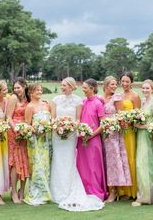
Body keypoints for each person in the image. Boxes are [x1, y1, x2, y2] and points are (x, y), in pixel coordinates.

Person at [50, 77, 104, 211]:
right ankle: (56, 190)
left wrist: (70, 129)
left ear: (71, 86)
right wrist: (57, 127)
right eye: (61, 85)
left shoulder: (78, 101)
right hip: (57, 135)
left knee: (69, 160)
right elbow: (52, 118)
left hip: (71, 135)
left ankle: (69, 190)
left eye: (65, 85)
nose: (62, 87)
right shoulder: (55, 100)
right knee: (58, 160)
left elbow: (78, 119)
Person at [132, 79, 153, 206]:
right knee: (140, 164)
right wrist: (136, 123)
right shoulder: (142, 103)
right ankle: (143, 194)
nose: (145, 90)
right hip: (140, 136)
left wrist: (142, 126)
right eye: (143, 88)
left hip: (148, 137)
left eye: (147, 88)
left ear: (152, 89)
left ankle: (147, 196)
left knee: (146, 165)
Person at [102, 76, 131, 203]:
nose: (114, 86)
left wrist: (116, 125)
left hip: (113, 133)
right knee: (104, 161)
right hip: (101, 133)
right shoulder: (100, 98)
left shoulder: (117, 98)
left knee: (113, 161)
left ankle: (114, 191)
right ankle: (106, 188)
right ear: (106, 85)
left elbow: (121, 116)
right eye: (112, 84)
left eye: (115, 84)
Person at [77, 78, 107, 201]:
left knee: (94, 166)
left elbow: (103, 124)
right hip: (82, 140)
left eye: (85, 88)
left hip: (94, 140)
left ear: (92, 88)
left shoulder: (98, 103)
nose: (83, 90)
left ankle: (96, 191)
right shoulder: (83, 102)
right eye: (83, 87)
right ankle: (84, 189)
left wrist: (91, 135)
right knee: (82, 166)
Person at [24, 83, 51, 206]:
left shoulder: (46, 104)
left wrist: (46, 129)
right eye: (37, 90)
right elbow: (27, 125)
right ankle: (37, 193)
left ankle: (47, 192)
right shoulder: (30, 107)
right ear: (31, 92)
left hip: (47, 140)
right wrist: (37, 130)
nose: (40, 92)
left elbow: (51, 122)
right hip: (35, 141)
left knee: (46, 165)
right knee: (37, 166)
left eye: (41, 90)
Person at [117, 72, 141, 199]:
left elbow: (138, 117)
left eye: (127, 81)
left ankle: (132, 190)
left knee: (130, 159)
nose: (125, 84)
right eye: (123, 81)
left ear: (131, 82)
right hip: (119, 132)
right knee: (122, 160)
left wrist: (129, 122)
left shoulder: (135, 96)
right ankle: (123, 190)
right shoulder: (118, 95)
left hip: (130, 132)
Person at [6, 77, 29, 204]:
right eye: (14, 88)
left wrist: (27, 129)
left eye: (18, 87)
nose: (16, 90)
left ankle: (22, 190)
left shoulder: (28, 99)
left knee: (24, 160)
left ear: (24, 86)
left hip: (25, 133)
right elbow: (8, 117)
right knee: (15, 162)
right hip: (13, 132)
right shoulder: (13, 98)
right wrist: (15, 129)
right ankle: (14, 191)